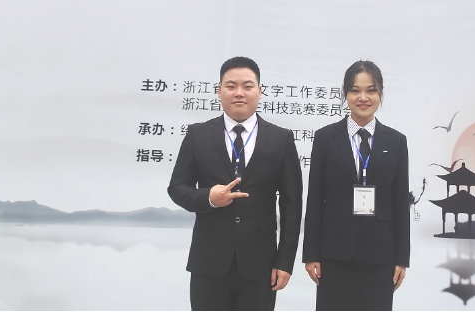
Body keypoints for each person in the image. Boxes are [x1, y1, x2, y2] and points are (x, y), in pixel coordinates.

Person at [168, 56, 303, 311]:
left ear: (260, 91)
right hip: (208, 263)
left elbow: (292, 205)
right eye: (231, 86)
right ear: (219, 90)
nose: (239, 92)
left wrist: (285, 261)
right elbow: (177, 188)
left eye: (247, 86)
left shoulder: (281, 139)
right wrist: (208, 198)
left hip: (260, 265)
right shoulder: (198, 134)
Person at [302, 60, 410, 311]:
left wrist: (401, 258)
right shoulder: (326, 137)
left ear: (380, 93)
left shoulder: (396, 141)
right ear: (345, 94)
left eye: (371, 90)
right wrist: (311, 254)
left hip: (381, 256)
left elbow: (399, 203)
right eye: (355, 90)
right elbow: (315, 198)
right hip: (334, 254)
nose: (363, 97)